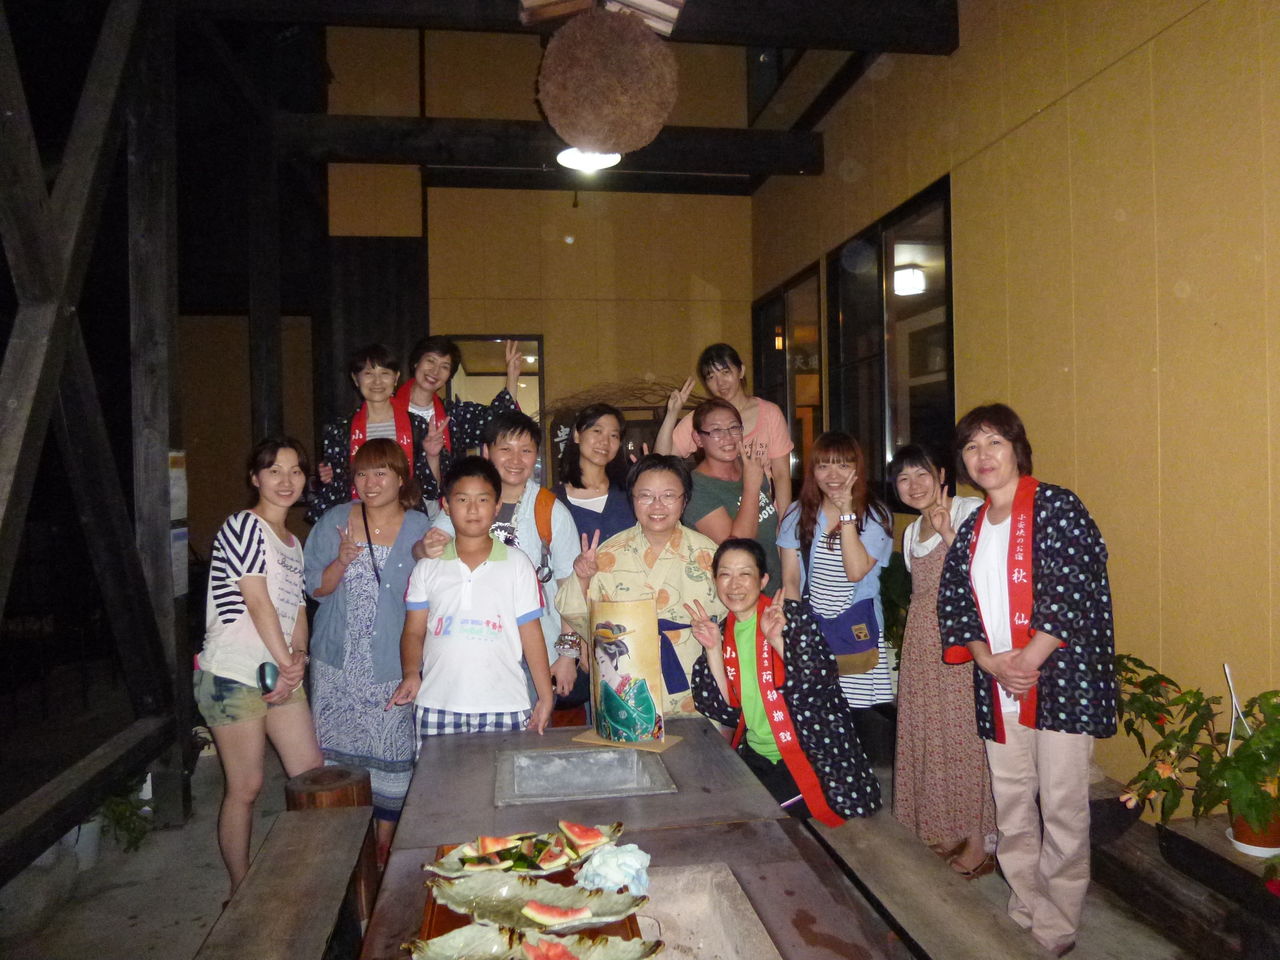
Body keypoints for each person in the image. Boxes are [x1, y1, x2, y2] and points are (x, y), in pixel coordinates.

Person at [938, 404, 1116, 957]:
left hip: (1059, 683)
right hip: (999, 686)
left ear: (1017, 448)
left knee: (1063, 806)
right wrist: (990, 662)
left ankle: (1057, 924)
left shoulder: (1057, 507)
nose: (983, 455)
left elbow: (1072, 585)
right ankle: (1025, 904)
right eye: (972, 446)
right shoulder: (972, 527)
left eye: (994, 442)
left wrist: (1029, 661)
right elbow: (956, 602)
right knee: (1012, 803)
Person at [194, 437, 322, 898]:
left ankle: (309, 871)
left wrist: (299, 657)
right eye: (274, 471)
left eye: (295, 471)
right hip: (233, 674)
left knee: (311, 773)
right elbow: (257, 600)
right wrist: (288, 664)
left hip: (280, 670)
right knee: (246, 787)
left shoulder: (292, 542)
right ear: (255, 478)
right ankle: (241, 889)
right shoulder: (244, 526)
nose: (286, 481)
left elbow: (297, 609)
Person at [687, 538, 882, 824]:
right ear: (715, 580)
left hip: (813, 756)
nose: (734, 584)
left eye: (745, 574)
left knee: (758, 822)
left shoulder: (791, 617)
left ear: (763, 579)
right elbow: (723, 710)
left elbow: (820, 681)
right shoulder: (722, 631)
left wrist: (778, 640)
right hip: (758, 755)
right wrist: (713, 649)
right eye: (725, 574)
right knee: (715, 811)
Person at [303, 439, 429, 864]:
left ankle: (382, 848)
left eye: (380, 473)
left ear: (400, 478)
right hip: (337, 662)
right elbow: (315, 589)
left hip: (392, 663)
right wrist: (340, 561)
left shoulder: (419, 525)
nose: (370, 483)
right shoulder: (336, 520)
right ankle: (344, 851)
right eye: (361, 474)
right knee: (337, 758)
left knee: (393, 756)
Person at [388, 456, 554, 740]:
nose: (473, 509)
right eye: (462, 499)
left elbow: (531, 634)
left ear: (497, 506)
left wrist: (545, 696)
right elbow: (414, 631)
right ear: (446, 506)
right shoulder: (428, 566)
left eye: (483, 500)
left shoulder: (517, 564)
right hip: (437, 705)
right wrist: (411, 673)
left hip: (506, 705)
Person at [888, 444, 994, 878]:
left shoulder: (969, 511)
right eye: (903, 478)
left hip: (961, 639)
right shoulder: (911, 530)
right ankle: (946, 827)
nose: (913, 485)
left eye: (922, 474)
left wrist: (950, 533)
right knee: (931, 733)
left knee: (966, 738)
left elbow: (984, 576)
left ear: (942, 475)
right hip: (922, 643)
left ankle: (979, 841)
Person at [424, 411, 581, 701]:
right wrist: (425, 547)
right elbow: (428, 549)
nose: (516, 460)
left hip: (532, 653)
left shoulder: (550, 510)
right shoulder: (466, 500)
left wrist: (568, 654)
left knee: (531, 725)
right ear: (487, 452)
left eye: (526, 451)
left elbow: (569, 587)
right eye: (505, 449)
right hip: (470, 644)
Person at [556, 454, 725, 718]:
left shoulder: (709, 554)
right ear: (632, 499)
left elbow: (732, 621)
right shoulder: (607, 554)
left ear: (684, 500)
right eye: (645, 496)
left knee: (695, 741)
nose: (657, 505)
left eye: (669, 495)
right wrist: (582, 577)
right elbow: (578, 615)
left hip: (693, 678)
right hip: (625, 680)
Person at [777, 432, 895, 750]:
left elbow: (855, 571)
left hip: (855, 630)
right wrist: (795, 632)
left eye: (843, 465)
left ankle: (857, 777)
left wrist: (846, 514)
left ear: (858, 469)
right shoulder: (797, 514)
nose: (833, 475)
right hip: (813, 630)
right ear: (812, 471)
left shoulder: (875, 516)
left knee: (855, 724)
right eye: (824, 465)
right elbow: (790, 579)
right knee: (815, 719)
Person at [656, 343, 793, 515]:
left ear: (741, 371)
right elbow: (661, 460)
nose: (720, 383)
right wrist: (671, 413)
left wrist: (785, 522)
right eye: (711, 377)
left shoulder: (770, 413)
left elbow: (781, 474)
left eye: (725, 372)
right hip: (720, 512)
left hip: (764, 513)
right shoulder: (703, 418)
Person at [308, 344, 433, 523]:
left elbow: (430, 485)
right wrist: (327, 478)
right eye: (368, 374)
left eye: (385, 373)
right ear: (355, 379)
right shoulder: (340, 430)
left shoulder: (417, 426)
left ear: (396, 377)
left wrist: (434, 456)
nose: (377, 382)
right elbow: (334, 486)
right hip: (357, 520)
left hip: (406, 518)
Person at [393, 336, 521, 505]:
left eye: (444, 367)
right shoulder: (386, 411)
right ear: (416, 362)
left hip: (442, 509)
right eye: (430, 361)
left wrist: (512, 375)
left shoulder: (453, 415)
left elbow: (497, 420)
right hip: (391, 506)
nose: (435, 371)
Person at [678, 398, 780, 588]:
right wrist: (751, 487)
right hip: (737, 594)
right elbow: (739, 547)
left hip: (773, 587)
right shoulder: (696, 487)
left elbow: (773, 532)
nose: (728, 437)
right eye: (716, 430)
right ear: (698, 438)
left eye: (734, 428)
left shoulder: (750, 467)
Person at [553, 402, 635, 544]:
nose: (605, 441)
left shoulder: (630, 491)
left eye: (614, 435)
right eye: (597, 431)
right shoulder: (555, 501)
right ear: (577, 435)